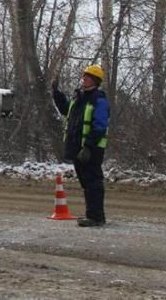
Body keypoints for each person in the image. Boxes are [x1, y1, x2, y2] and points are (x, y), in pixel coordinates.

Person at [52, 64, 110, 227]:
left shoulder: (99, 100)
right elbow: (66, 110)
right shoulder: (79, 98)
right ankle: (93, 215)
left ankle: (96, 217)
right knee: (87, 183)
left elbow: (100, 125)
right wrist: (57, 94)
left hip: (90, 150)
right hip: (78, 148)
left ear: (95, 80)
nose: (84, 78)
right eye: (84, 76)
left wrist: (89, 147)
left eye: (88, 76)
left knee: (93, 182)